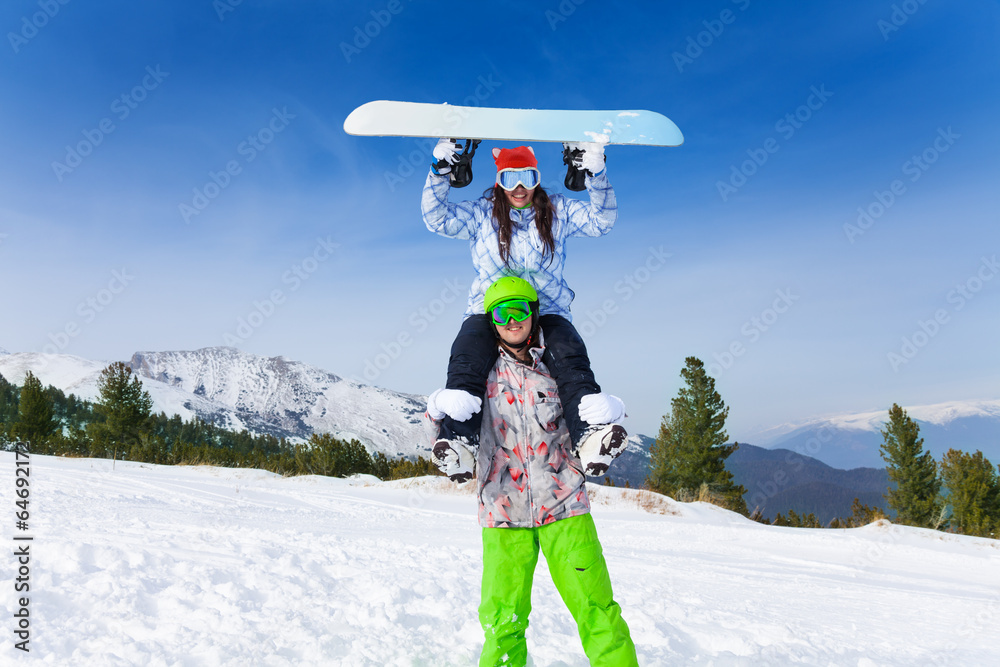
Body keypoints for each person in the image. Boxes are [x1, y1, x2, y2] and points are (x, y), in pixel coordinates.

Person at [426, 276, 637, 667]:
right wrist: (437, 409)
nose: (511, 320)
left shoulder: (557, 369)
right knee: (503, 619)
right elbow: (448, 431)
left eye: (519, 310)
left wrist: (613, 408)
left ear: (533, 314)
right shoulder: (479, 377)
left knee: (597, 609)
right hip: (502, 512)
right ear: (490, 320)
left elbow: (587, 411)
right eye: (501, 313)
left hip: (565, 508)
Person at [421, 139, 627, 466]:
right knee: (467, 357)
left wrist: (597, 175)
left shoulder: (556, 211)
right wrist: (440, 171)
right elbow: (437, 219)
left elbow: (601, 222)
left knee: (570, 356)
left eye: (528, 178)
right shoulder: (481, 213)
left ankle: (590, 435)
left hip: (547, 309)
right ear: (498, 181)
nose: (519, 189)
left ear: (538, 179)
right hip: (490, 308)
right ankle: (458, 441)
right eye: (509, 179)